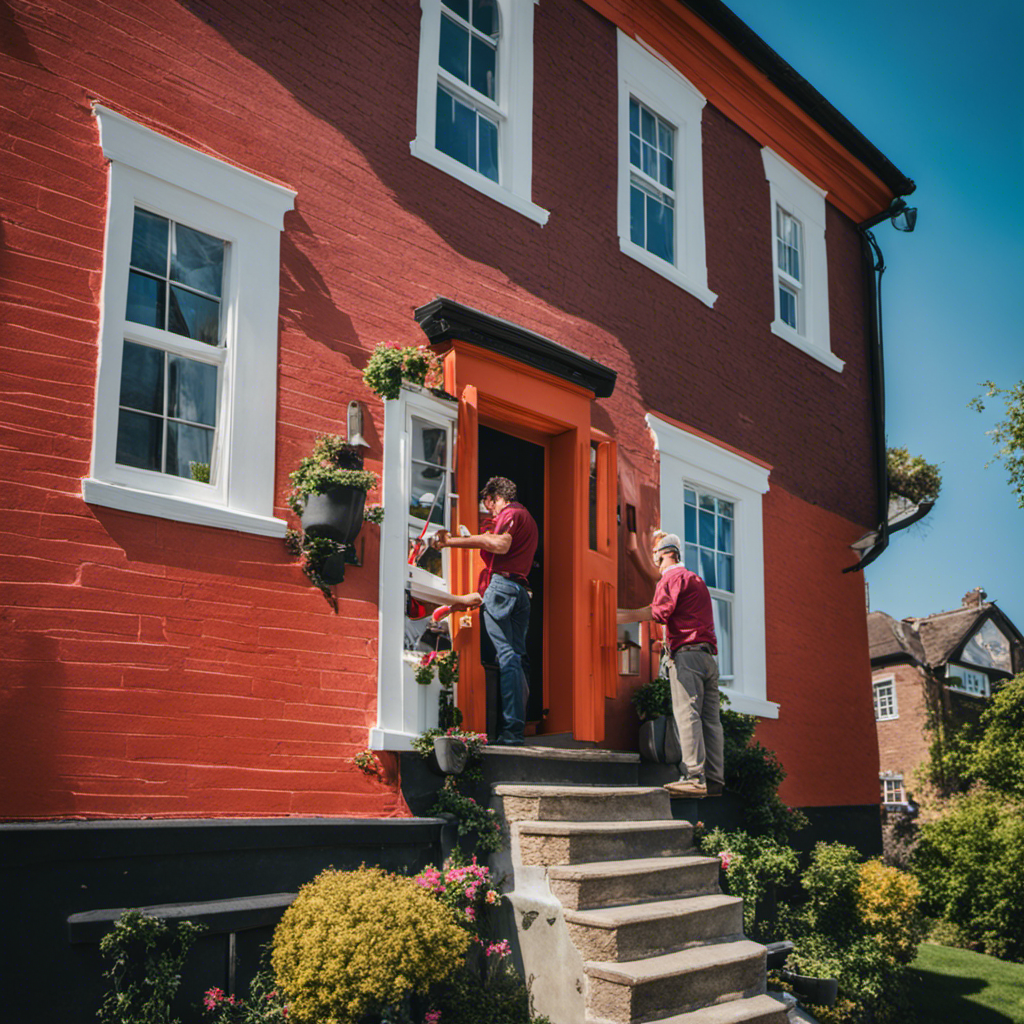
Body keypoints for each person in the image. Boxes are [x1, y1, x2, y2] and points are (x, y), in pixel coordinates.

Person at [432, 476, 538, 745]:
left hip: (503, 586)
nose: (489, 511)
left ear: (494, 498)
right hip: (520, 591)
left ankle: (511, 734)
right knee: (517, 658)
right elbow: (487, 594)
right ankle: (516, 729)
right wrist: (456, 605)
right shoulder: (530, 521)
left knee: (507, 658)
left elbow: (500, 544)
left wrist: (450, 542)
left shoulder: (512, 512)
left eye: (488, 505)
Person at [618, 533, 723, 798]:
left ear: (665, 553)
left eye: (655, 552)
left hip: (687, 655)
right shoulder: (696, 580)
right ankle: (713, 779)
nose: (653, 557)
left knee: (687, 715)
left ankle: (693, 777)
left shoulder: (671, 578)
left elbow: (659, 612)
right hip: (708, 658)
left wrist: (617, 616)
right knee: (710, 721)